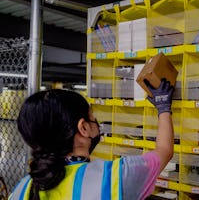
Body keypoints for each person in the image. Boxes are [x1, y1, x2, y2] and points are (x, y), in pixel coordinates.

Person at [9, 79, 174, 200]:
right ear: (84, 128)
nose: (96, 122)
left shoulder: (21, 190)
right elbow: (164, 151)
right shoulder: (113, 178)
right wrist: (163, 107)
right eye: (92, 117)